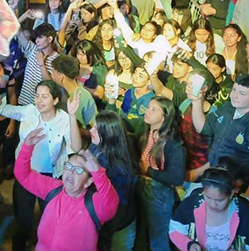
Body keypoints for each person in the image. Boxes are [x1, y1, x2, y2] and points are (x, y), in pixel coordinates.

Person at [0, 80, 73, 251]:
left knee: (49, 218)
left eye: (45, 96)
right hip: (25, 175)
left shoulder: (64, 119)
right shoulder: (29, 111)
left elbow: (73, 148)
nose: (39, 100)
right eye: (37, 96)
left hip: (50, 178)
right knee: (23, 220)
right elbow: (3, 109)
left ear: (56, 100)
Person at [13, 127, 119, 251]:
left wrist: (98, 174)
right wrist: (27, 147)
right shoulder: (53, 188)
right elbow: (23, 175)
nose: (70, 172)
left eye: (78, 170)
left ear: (88, 182)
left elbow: (111, 204)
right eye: (68, 166)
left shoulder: (93, 203)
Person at [190, 74, 249, 200]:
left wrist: (246, 201)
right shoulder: (227, 108)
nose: (234, 96)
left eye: (241, 93)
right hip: (213, 176)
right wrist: (196, 101)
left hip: (234, 188)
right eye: (234, 90)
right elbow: (203, 128)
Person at [169, 167, 249, 251]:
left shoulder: (243, 211)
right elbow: (175, 229)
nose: (213, 204)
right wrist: (189, 245)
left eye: (220, 200)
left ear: (231, 194)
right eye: (208, 197)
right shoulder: (193, 202)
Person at [138, 96, 186, 251]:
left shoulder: (173, 143)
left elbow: (177, 178)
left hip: (159, 193)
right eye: (148, 107)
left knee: (158, 239)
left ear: (164, 117)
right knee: (142, 233)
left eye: (154, 109)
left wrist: (148, 170)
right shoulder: (147, 132)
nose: (148, 112)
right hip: (141, 187)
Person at [88, 111, 139, 251]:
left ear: (108, 134)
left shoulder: (119, 166)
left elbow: (118, 206)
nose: (90, 130)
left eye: (96, 129)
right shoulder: (97, 147)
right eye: (92, 126)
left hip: (118, 225)